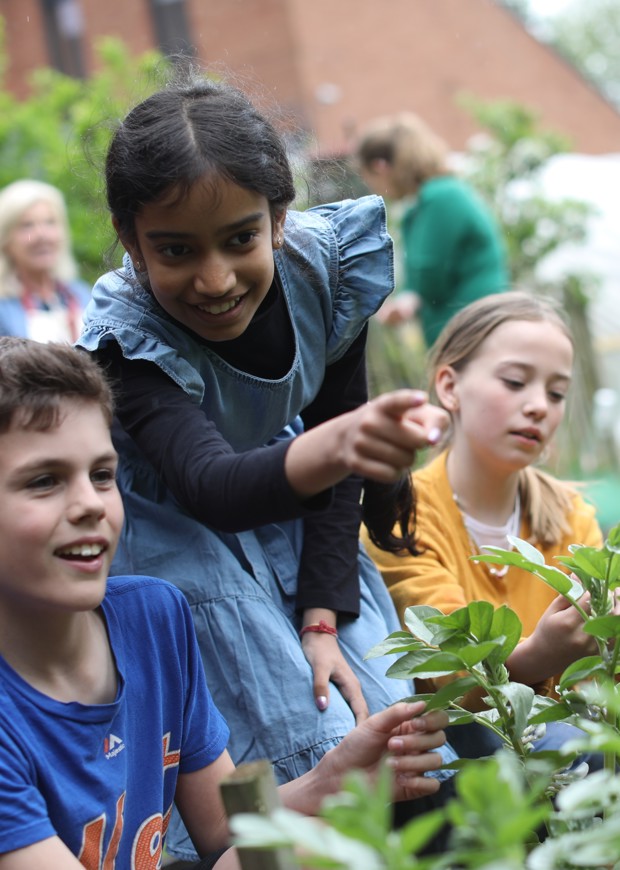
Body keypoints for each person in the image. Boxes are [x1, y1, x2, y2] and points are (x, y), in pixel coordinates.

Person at [75, 73, 457, 860]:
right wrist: (336, 446)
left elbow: (332, 446)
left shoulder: (330, 270)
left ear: (280, 220)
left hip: (297, 507)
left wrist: (322, 615)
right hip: (184, 541)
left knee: (381, 718)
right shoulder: (128, 340)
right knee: (291, 735)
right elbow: (212, 488)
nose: (213, 280)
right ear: (129, 235)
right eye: (175, 251)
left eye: (239, 239)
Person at [0, 336, 451, 870]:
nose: (89, 506)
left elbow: (220, 822)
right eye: (44, 481)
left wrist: (331, 782)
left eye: (102, 475)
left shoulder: (153, 618)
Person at [362, 290, 609, 756]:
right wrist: (539, 655)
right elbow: (453, 681)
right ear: (450, 387)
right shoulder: (401, 516)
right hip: (462, 750)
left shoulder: (573, 517)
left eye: (556, 393)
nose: (539, 405)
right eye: (516, 382)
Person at [355, 112, 509, 347]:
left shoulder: (442, 196)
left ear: (380, 168)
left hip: (477, 331)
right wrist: (407, 297)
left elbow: (429, 270)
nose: (372, 186)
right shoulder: (424, 203)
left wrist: (408, 299)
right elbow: (421, 278)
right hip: (462, 332)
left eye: (368, 177)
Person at [0, 179, 91, 341]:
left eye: (50, 222)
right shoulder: (3, 308)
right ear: (6, 240)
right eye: (27, 225)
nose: (42, 236)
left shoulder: (84, 295)